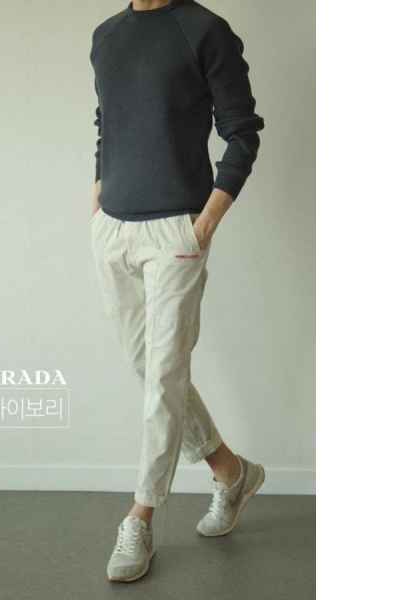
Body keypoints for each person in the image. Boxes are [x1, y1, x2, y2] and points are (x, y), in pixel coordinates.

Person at [90, 0, 265, 582]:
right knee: (150, 368)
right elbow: (107, 122)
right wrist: (99, 196)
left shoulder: (205, 31)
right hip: (113, 229)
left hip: (177, 232)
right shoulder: (106, 36)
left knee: (164, 375)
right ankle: (231, 471)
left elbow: (242, 132)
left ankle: (140, 515)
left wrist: (204, 223)